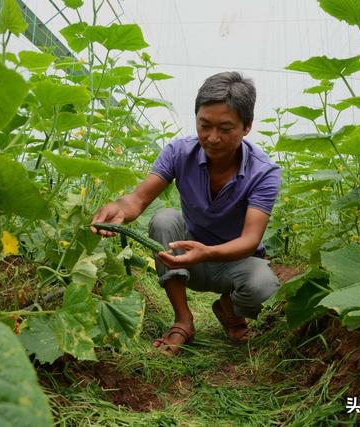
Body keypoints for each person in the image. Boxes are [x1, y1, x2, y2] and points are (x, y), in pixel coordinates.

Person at [91, 71, 281, 356]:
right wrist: (118, 208)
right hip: (185, 256)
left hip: (234, 260)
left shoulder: (264, 172)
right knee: (165, 218)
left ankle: (228, 307)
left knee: (264, 286)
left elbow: (250, 239)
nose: (212, 138)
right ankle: (183, 320)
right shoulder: (179, 152)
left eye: (225, 129)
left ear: (247, 127)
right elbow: (138, 200)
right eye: (204, 125)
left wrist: (207, 252)